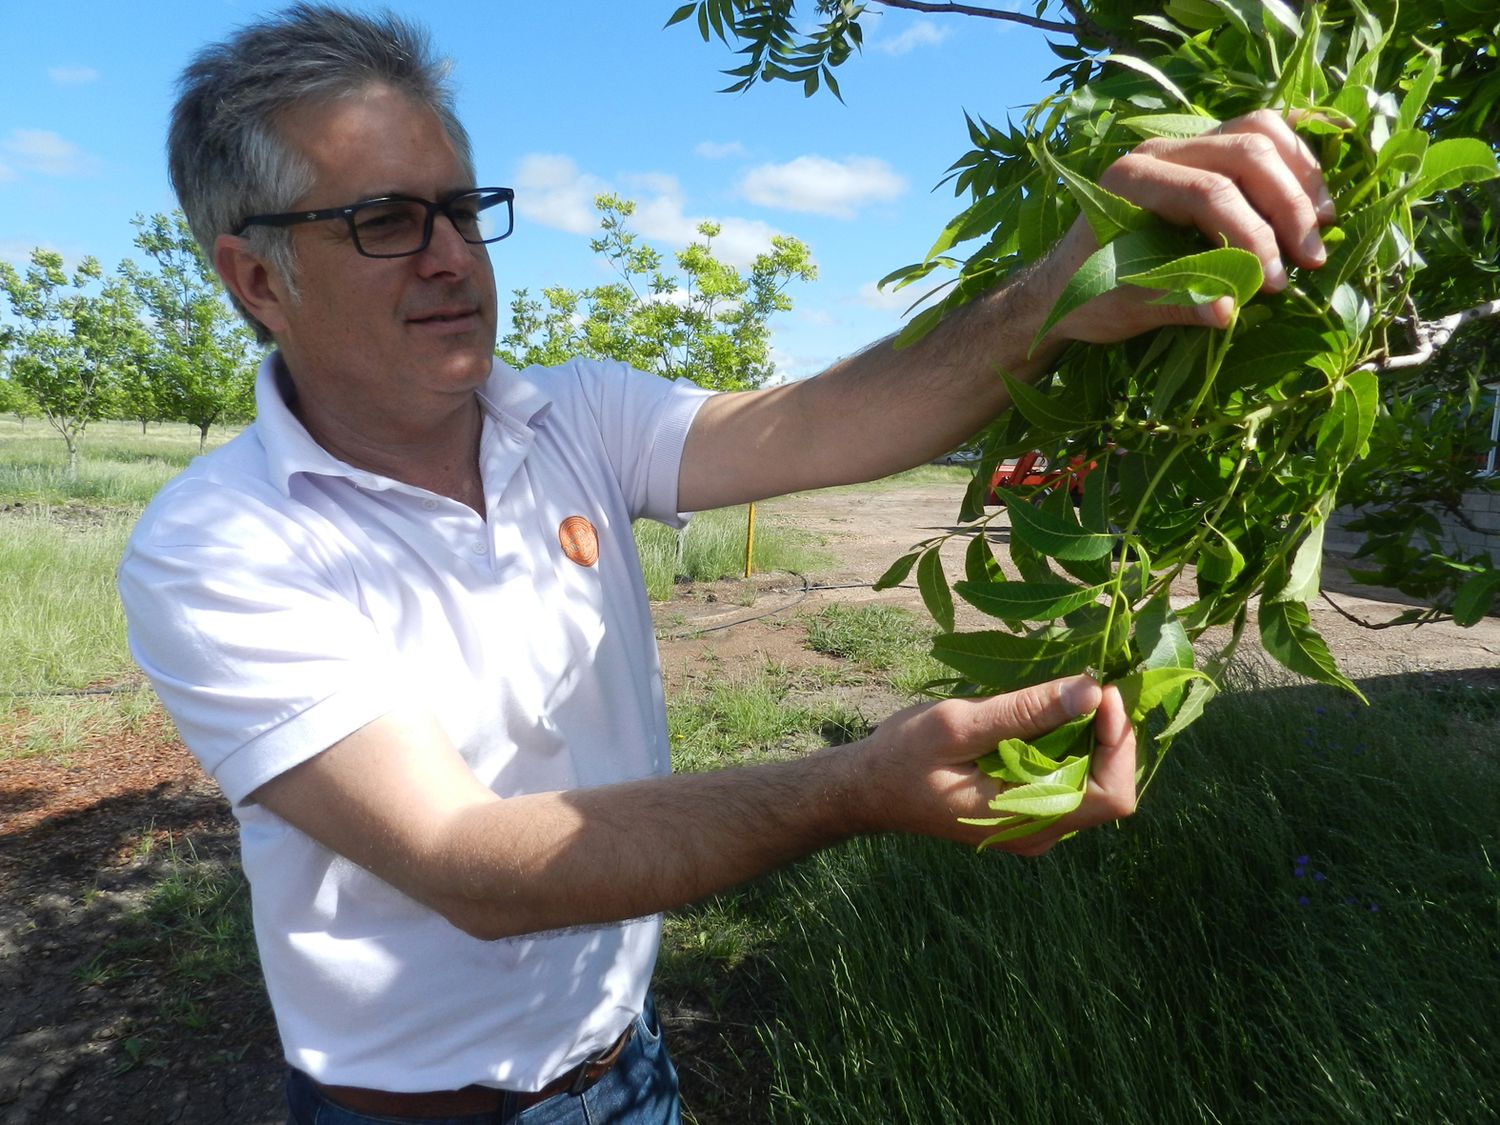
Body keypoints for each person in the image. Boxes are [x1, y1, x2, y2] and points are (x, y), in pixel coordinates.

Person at [117, 5, 1333, 1122]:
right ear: (257, 278)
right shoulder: (217, 544)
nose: (451, 257)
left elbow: (815, 423)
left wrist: (1054, 296)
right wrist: (855, 788)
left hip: (628, 1069)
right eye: (384, 220)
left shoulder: (574, 418)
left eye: (460, 207)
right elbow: (466, 863)